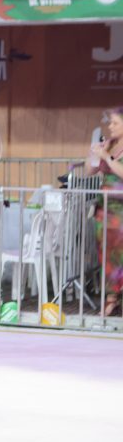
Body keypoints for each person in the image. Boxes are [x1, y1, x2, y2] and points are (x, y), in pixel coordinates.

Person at [87, 107, 123, 316]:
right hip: (105, 210)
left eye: (115, 123)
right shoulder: (109, 145)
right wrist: (93, 153)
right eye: (110, 123)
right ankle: (111, 298)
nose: (110, 127)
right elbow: (90, 170)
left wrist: (108, 159)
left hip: (121, 211)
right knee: (106, 256)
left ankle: (115, 298)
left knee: (119, 255)